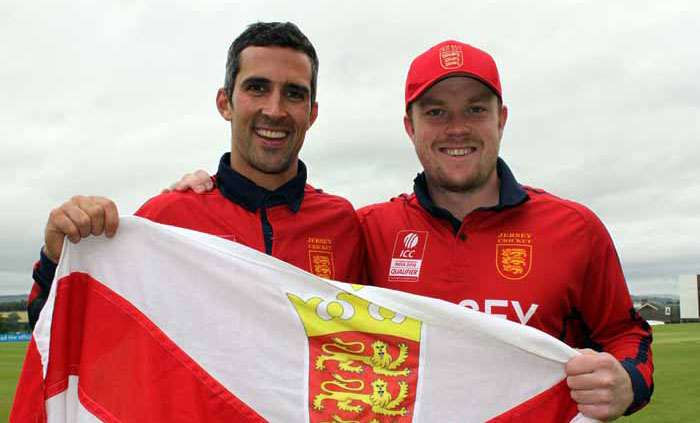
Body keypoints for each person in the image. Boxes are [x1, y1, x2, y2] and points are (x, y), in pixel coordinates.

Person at [168, 40, 653, 421]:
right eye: (436, 111)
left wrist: (630, 382)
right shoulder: (367, 229)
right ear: (409, 126)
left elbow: (625, 332)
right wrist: (205, 194)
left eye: (475, 109)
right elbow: (277, 271)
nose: (456, 128)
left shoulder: (575, 228)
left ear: (501, 119)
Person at [28, 22, 365, 326]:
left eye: (294, 94)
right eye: (257, 88)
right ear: (225, 103)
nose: (274, 110)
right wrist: (55, 259)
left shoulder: (342, 224)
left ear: (312, 113)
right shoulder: (166, 218)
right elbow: (57, 330)